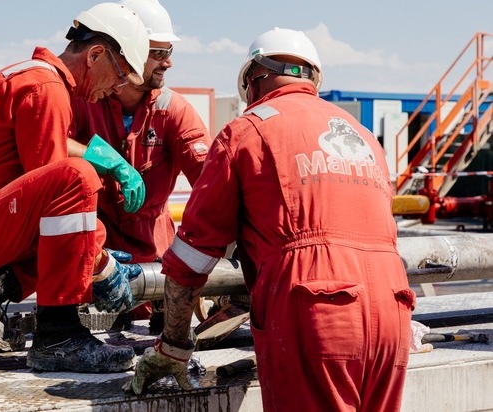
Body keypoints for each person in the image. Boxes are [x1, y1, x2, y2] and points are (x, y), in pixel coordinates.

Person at [124, 27, 416, 411]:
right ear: (313, 78)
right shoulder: (361, 135)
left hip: (314, 307)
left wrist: (174, 345)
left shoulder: (248, 131)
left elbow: (193, 254)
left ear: (253, 80)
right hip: (394, 308)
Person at [0, 2, 150, 373]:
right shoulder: (46, 88)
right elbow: (57, 187)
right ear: (95, 55)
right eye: (119, 77)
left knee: (84, 227)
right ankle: (59, 336)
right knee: (77, 181)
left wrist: (92, 247)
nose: (114, 91)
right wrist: (99, 263)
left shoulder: (37, 80)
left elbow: (45, 178)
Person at [71, 0, 212, 321]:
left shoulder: (173, 110)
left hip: (154, 266)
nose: (168, 62)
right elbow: (48, 148)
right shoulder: (85, 101)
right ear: (129, 51)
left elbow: (212, 187)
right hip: (94, 261)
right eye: (158, 53)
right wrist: (103, 159)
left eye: (169, 51)